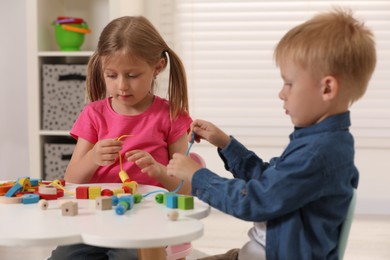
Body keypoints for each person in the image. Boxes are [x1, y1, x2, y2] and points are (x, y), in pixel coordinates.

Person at [167, 8, 376, 260]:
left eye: (289, 83)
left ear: (327, 88)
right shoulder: (316, 142)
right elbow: (271, 184)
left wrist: (198, 177)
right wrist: (226, 144)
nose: (281, 93)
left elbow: (255, 201)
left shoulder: (318, 154)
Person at [49, 16, 192, 260]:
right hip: (95, 218)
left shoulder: (171, 116)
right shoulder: (94, 114)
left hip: (146, 221)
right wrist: (93, 157)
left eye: (132, 75)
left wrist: (158, 172)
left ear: (157, 67)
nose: (122, 86)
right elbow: (72, 179)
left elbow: (186, 190)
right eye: (112, 75)